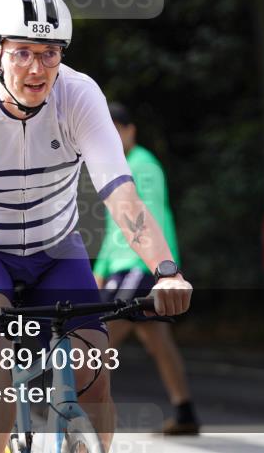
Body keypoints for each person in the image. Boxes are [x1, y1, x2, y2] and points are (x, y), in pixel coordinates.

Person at [0, 0, 192, 453]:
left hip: (56, 249)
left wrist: (166, 271)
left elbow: (122, 196)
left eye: (50, 53)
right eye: (22, 52)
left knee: (94, 367)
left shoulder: (80, 95)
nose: (37, 68)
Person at [93, 102, 200, 435]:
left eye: (116, 131)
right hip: (124, 266)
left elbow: (144, 219)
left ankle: (78, 404)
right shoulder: (117, 167)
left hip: (138, 266)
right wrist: (102, 267)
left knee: (98, 334)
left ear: (130, 130)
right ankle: (184, 411)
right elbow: (115, 227)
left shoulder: (143, 165)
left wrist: (159, 269)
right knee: (157, 340)